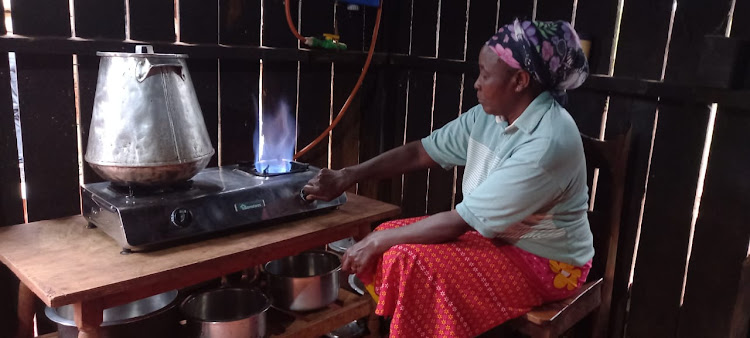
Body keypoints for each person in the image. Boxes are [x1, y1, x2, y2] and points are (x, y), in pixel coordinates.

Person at [303, 19, 591, 337]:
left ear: (520, 80)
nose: (476, 84)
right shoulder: (489, 117)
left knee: (405, 257)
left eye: (484, 74)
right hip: (495, 236)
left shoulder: (548, 141)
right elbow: (419, 152)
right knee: (388, 239)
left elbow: (461, 221)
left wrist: (375, 240)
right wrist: (348, 175)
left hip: (548, 263)